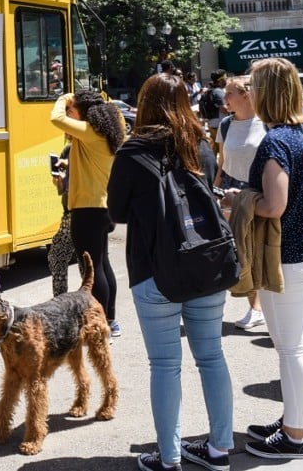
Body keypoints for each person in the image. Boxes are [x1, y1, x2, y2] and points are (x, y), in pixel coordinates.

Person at [108, 73, 234, 471]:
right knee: (212, 356)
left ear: (144, 105)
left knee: (165, 365)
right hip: (207, 264)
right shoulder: (200, 144)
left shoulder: (132, 152)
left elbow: (116, 212)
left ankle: (170, 458)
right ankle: (219, 451)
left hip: (153, 268)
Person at [223, 57, 303, 460]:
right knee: (294, 344)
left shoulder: (276, 140)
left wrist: (238, 199)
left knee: (291, 348)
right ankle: (291, 421)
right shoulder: (295, 132)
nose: (248, 89)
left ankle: (294, 435)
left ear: (267, 92)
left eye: (254, 83)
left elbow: (273, 205)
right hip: (301, 251)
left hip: (286, 254)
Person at [50, 90, 124, 336]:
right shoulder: (103, 134)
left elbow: (56, 118)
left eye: (73, 110)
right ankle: (110, 320)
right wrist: (68, 165)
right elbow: (92, 163)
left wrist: (64, 97)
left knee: (91, 267)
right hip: (103, 207)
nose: (70, 115)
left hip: (88, 209)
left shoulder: (91, 131)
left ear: (83, 112)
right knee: (102, 264)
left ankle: (99, 324)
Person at [214, 74, 267, 330]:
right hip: (229, 191)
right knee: (239, 250)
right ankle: (255, 306)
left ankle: (266, 305)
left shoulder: (266, 123)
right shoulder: (225, 124)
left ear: (246, 95)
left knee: (260, 248)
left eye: (229, 94)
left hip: (259, 191)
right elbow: (221, 163)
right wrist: (214, 190)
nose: (225, 99)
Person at [47, 141, 76, 297]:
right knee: (56, 256)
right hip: (69, 213)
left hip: (82, 211)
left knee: (88, 263)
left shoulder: (90, 147)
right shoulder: (68, 149)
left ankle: (89, 301)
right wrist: (58, 178)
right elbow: (61, 190)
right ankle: (61, 300)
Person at [201, 71, 228, 153]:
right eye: (225, 78)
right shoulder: (218, 92)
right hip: (220, 126)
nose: (226, 80)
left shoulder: (211, 90)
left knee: (215, 150)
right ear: (221, 80)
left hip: (213, 125)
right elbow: (223, 109)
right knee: (224, 152)